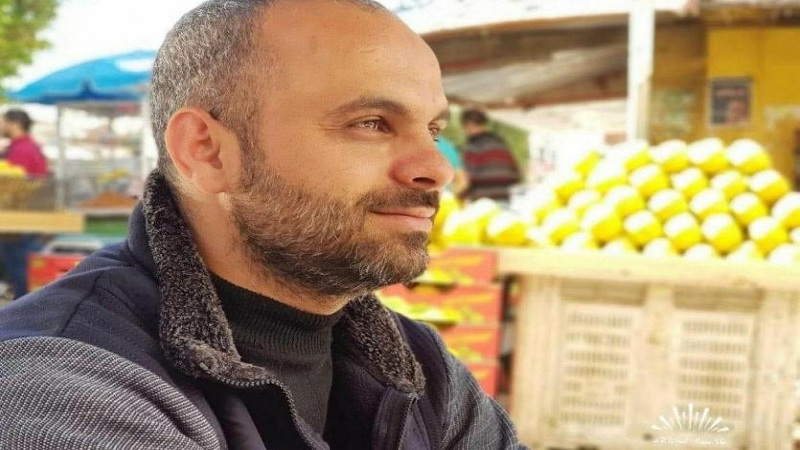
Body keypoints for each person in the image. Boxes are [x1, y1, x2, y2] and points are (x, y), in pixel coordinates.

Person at [0, 1, 524, 449]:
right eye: (371, 123)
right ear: (206, 150)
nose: (436, 169)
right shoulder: (58, 387)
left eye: (432, 130)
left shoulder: (423, 373)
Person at [0, 109, 49, 298]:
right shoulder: (26, 147)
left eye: (3, 122)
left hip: (19, 223)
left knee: (22, 274)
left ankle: (23, 310)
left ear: (15, 124)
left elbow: (12, 190)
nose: (1, 126)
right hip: (25, 220)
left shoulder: (21, 151)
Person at [460, 108, 521, 202]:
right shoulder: (500, 142)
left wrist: (462, 194)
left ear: (468, 124)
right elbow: (515, 170)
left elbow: (467, 176)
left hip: (483, 198)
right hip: (506, 195)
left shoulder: (474, 145)